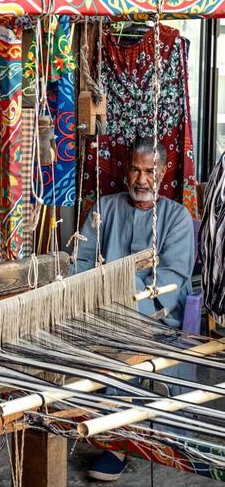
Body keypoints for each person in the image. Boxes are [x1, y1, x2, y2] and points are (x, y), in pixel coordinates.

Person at [75, 137, 196, 482]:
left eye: (149, 171)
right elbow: (80, 262)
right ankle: (89, 422)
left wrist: (124, 300)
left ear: (162, 173)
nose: (142, 180)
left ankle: (118, 442)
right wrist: (95, 299)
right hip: (100, 312)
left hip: (155, 317)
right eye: (135, 169)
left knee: (128, 348)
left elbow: (172, 278)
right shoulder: (105, 208)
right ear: (126, 172)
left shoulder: (177, 218)